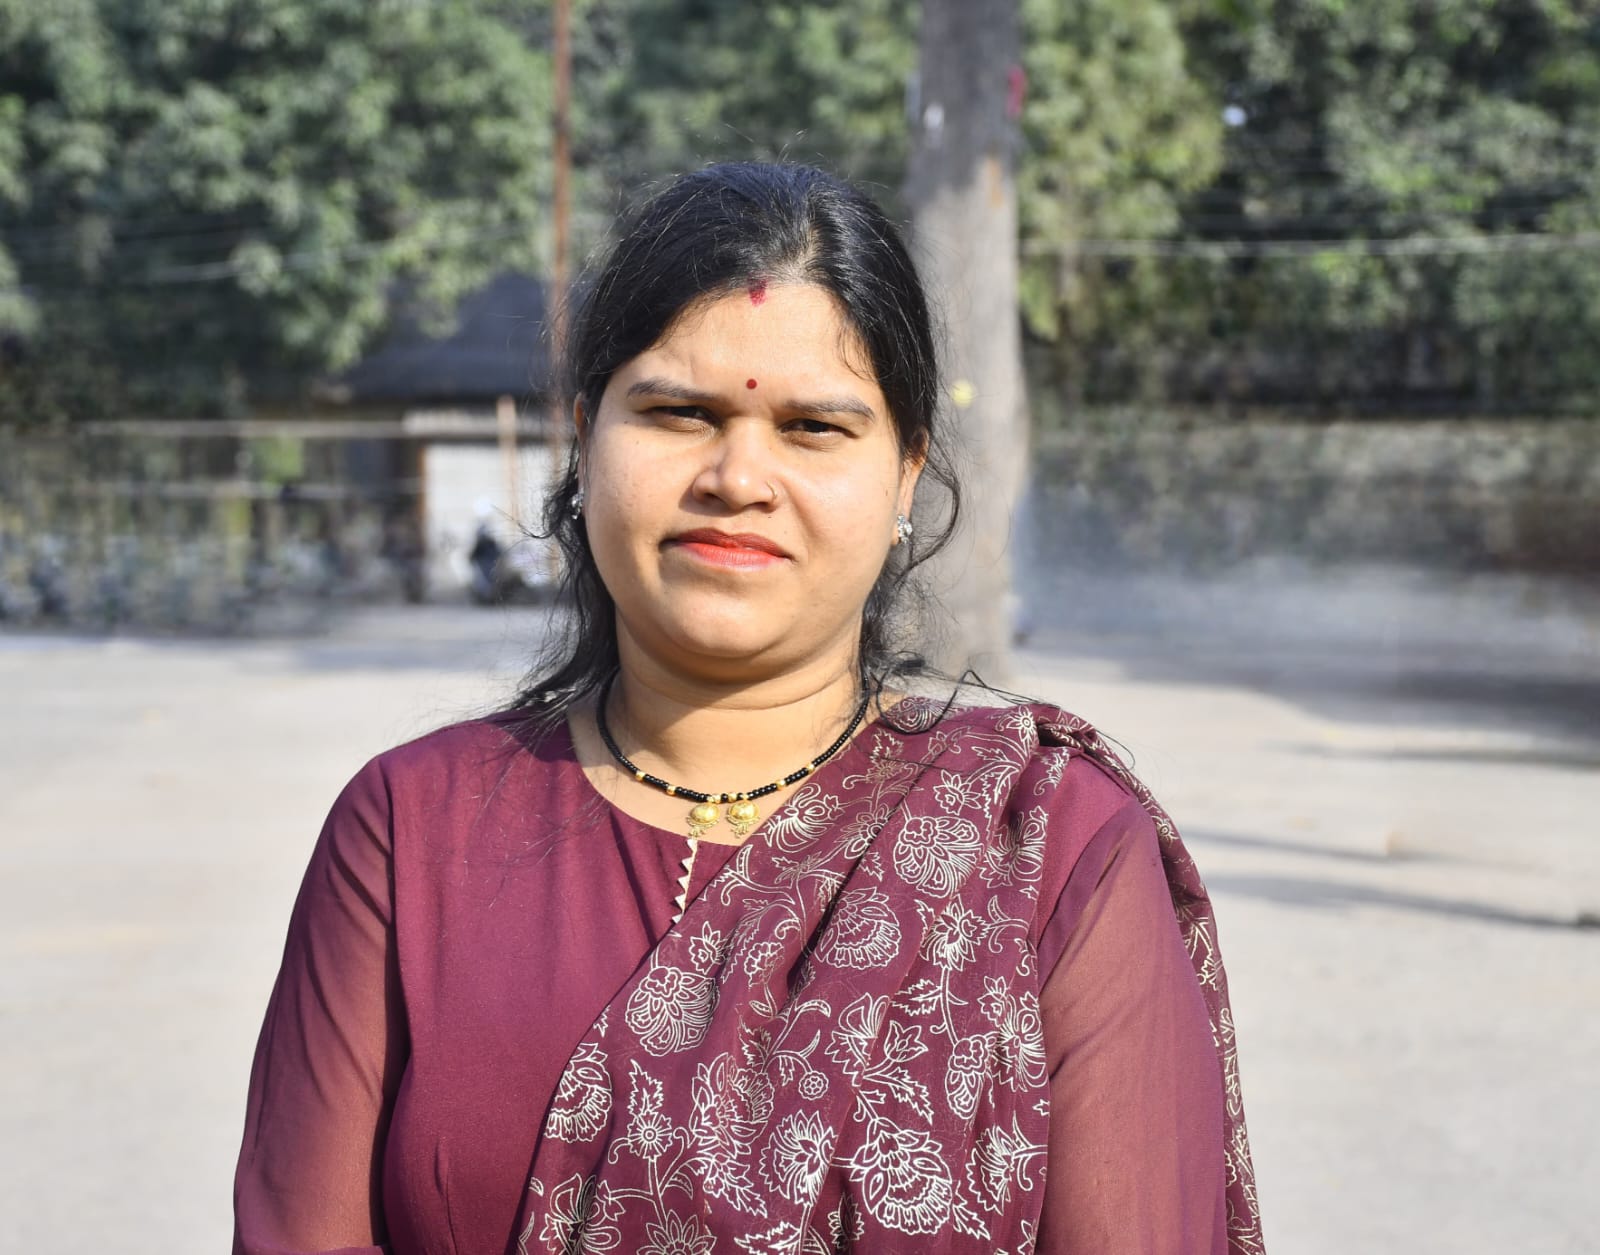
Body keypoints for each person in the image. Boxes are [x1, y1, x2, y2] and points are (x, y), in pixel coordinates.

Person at [233, 162, 1263, 1255]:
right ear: (584, 440)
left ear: (905, 475)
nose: (737, 476)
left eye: (813, 427)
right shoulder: (414, 827)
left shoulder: (1050, 845)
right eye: (679, 412)